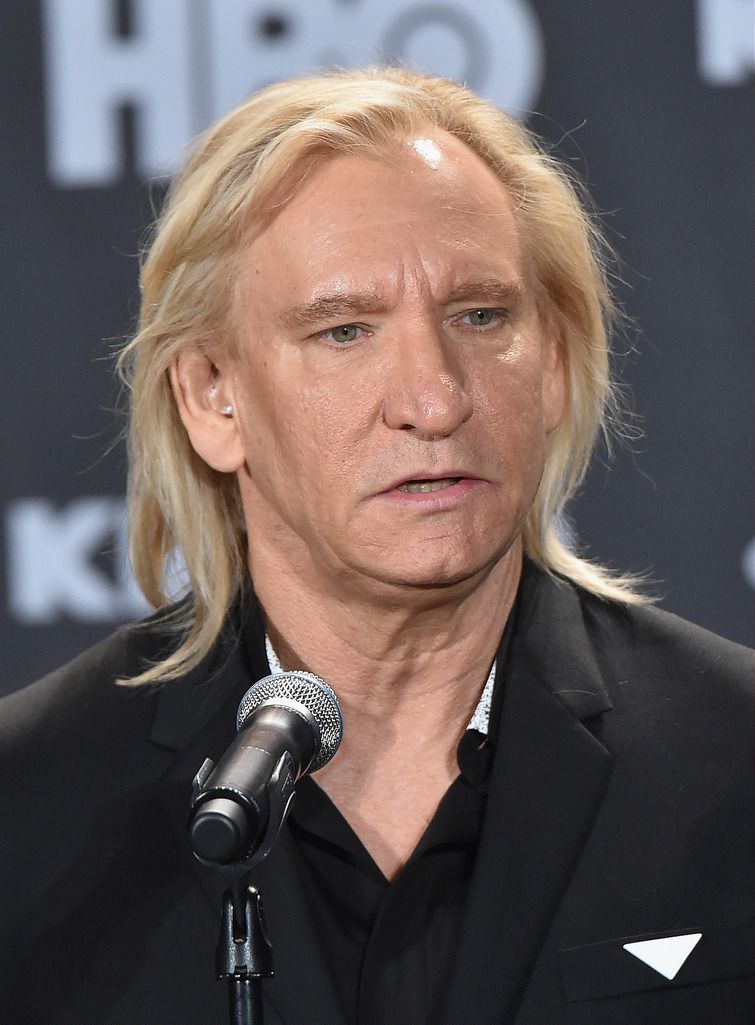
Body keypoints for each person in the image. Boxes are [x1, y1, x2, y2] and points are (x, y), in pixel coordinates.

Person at [0, 67, 751, 1025]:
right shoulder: (28, 810)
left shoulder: (736, 761)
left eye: (480, 316)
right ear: (211, 397)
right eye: (344, 330)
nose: (434, 399)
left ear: (556, 361)